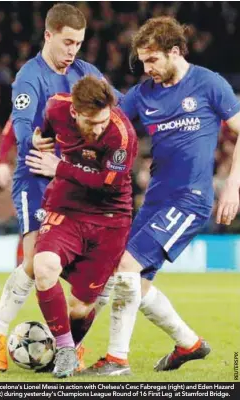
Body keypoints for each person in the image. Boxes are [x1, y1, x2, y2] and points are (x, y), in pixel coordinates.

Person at [84, 16, 240, 376]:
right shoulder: (143, 94)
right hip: (155, 200)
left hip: (190, 199)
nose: (147, 68)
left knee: (124, 267)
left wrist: (232, 186)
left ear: (175, 51)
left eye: (153, 60)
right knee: (133, 282)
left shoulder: (208, 84)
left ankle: (117, 360)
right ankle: (189, 344)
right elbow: (110, 125)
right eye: (142, 61)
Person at [0, 2, 121, 372]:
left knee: (90, 273)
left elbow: (117, 109)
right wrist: (30, 139)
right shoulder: (30, 77)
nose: (72, 51)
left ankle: (69, 343)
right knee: (34, 261)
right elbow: (21, 122)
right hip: (36, 178)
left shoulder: (85, 73)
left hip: (75, 183)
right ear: (48, 35)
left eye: (78, 43)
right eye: (66, 43)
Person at [25, 75, 137, 378]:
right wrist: (39, 139)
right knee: (43, 266)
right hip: (67, 208)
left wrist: (59, 167)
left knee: (80, 308)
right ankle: (63, 349)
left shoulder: (121, 135)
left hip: (110, 218)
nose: (100, 128)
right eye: (92, 122)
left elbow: (108, 186)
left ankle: (69, 349)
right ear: (75, 112)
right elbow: (46, 129)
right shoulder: (56, 108)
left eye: (103, 121)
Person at [0, 118, 24, 266]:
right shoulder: (29, 99)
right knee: (29, 228)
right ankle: (20, 278)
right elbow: (11, 126)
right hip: (35, 176)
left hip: (68, 173)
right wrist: (2, 161)